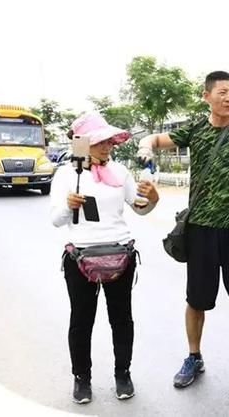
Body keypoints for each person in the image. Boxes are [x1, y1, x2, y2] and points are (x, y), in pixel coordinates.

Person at [137, 71, 229, 388]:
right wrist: (146, 146)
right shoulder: (195, 130)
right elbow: (155, 140)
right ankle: (194, 356)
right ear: (207, 96)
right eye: (222, 92)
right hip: (201, 230)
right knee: (197, 299)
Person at [50, 112, 159, 404]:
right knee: (81, 321)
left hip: (120, 254)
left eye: (109, 141)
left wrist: (152, 199)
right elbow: (56, 220)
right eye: (99, 141)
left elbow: (140, 208)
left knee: (121, 319)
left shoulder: (120, 172)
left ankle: (123, 374)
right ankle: (81, 379)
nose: (107, 146)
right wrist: (67, 205)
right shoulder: (67, 175)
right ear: (83, 144)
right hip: (80, 258)